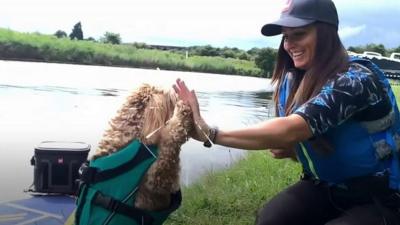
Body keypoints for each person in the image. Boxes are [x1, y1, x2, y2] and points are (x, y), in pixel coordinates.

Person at [173, 0, 400, 224]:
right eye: (286, 36)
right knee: (271, 219)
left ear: (326, 33)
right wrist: (295, 151)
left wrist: (211, 134)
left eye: (299, 34)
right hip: (325, 187)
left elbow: (292, 128)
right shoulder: (294, 80)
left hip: (380, 197)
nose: (289, 45)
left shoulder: (357, 80)